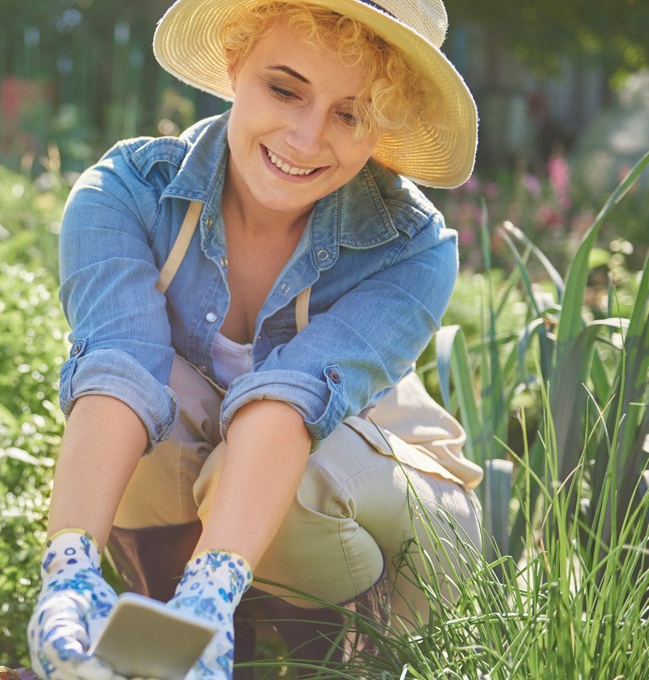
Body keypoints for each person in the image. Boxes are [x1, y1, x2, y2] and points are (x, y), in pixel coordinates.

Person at [26, 0, 486, 677]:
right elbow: (119, 367)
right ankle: (171, 642)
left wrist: (212, 585)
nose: (304, 138)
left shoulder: (411, 248)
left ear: (381, 128)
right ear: (237, 63)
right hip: (231, 492)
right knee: (143, 418)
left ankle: (325, 657)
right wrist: (67, 568)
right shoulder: (125, 193)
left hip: (383, 510)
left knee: (294, 481)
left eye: (350, 114)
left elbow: (289, 401)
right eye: (283, 88)